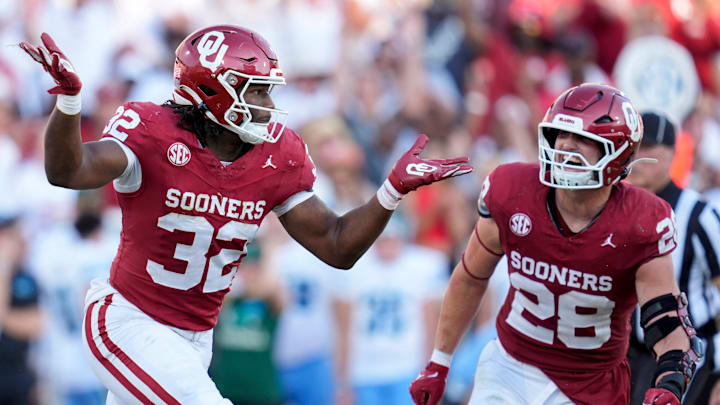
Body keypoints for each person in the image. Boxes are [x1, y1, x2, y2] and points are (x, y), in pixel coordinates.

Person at [18, 26, 473, 405]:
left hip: (196, 339)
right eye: (257, 91)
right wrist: (70, 103)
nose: (269, 106)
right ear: (214, 90)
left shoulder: (277, 154)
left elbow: (336, 246)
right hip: (128, 321)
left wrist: (390, 192)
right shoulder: (153, 131)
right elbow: (68, 170)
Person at [409, 83, 703, 405]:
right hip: (510, 366)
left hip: (592, 384)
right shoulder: (513, 191)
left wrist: (670, 381)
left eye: (582, 139)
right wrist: (439, 360)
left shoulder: (641, 221)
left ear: (618, 152)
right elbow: (470, 276)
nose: (565, 145)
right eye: (559, 134)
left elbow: (666, 321)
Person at [627, 111, 720, 405]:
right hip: (631, 354)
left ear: (671, 153)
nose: (639, 158)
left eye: (649, 148)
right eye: (634, 148)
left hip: (691, 357)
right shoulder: (616, 208)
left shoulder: (699, 215)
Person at [334, 216, 447, 405]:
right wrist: (342, 384)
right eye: (383, 240)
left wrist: (430, 374)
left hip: (407, 368)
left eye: (393, 239)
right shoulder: (355, 270)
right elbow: (343, 331)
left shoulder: (422, 266)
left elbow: (431, 326)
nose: (388, 246)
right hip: (364, 370)